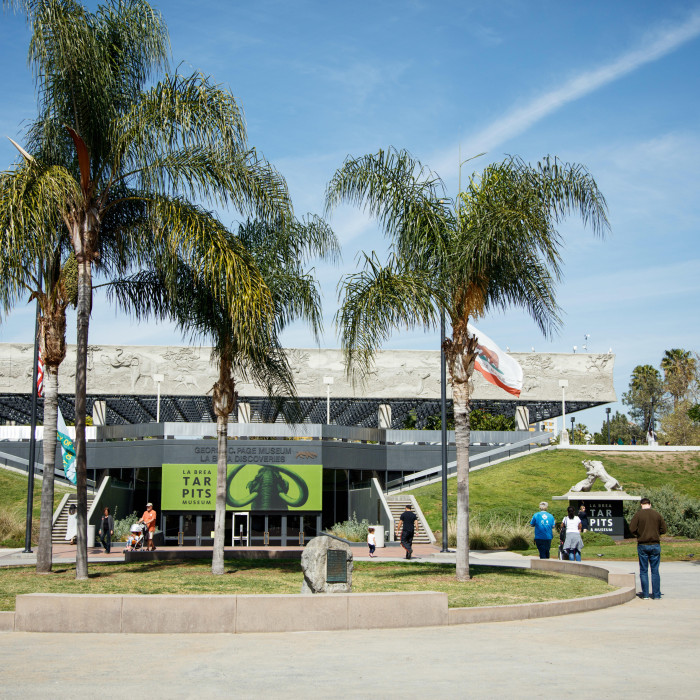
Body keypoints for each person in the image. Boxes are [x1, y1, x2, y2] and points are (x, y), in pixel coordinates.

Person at [629, 497, 667, 600]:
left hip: (642, 544)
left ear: (641, 505)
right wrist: (657, 532)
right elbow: (664, 529)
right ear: (650, 504)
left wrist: (638, 534)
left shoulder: (638, 515)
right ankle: (656, 595)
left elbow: (632, 528)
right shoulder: (656, 514)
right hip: (655, 544)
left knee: (643, 570)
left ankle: (645, 594)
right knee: (655, 571)